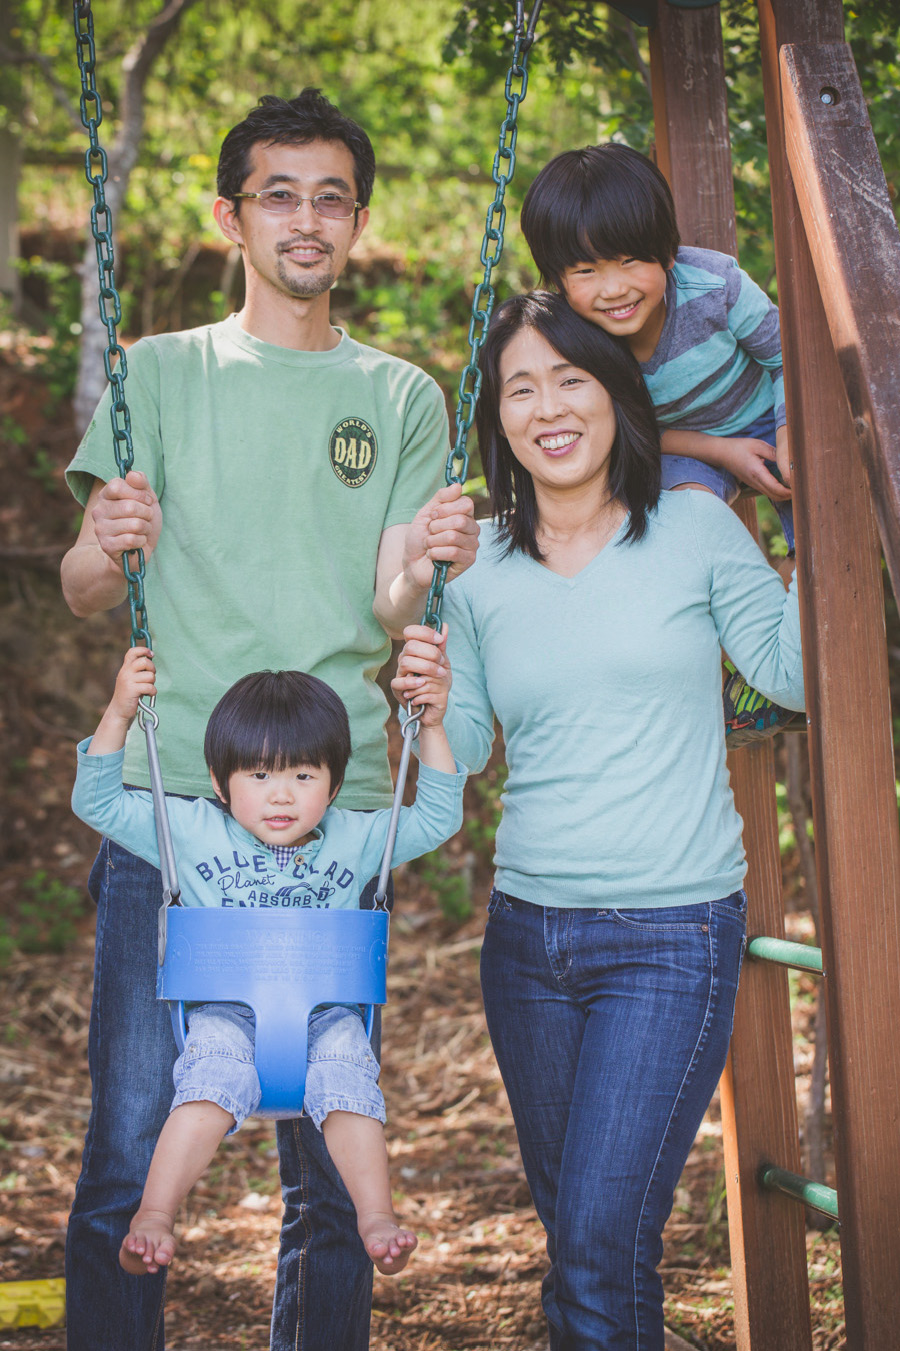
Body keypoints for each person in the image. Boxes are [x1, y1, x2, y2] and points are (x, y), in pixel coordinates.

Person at [61, 89, 478, 1351]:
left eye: (332, 195)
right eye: (280, 193)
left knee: (331, 1143)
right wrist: (105, 535)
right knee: (134, 1135)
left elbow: (391, 587)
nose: (308, 218)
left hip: (338, 814)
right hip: (174, 813)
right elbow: (87, 587)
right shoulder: (155, 373)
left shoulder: (401, 393)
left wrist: (429, 559)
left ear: (358, 220)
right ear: (231, 213)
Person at [394, 291, 804, 1351]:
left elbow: (795, 672)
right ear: (499, 423)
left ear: (619, 398)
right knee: (587, 1238)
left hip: (672, 938)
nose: (548, 407)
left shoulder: (695, 528)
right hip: (528, 940)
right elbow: (473, 745)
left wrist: (832, 530)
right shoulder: (476, 564)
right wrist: (433, 699)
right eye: (520, 389)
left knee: (596, 1247)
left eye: (571, 378)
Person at [72, 639, 462, 1280]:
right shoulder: (189, 830)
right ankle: (156, 1214)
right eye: (259, 776)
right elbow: (98, 803)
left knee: (348, 1081)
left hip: (326, 1016)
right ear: (223, 785)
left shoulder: (358, 837)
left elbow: (440, 816)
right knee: (207, 1079)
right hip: (227, 1012)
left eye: (303, 776)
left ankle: (376, 1219)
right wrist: (118, 713)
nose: (281, 796)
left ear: (334, 782)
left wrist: (433, 730)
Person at [520, 142, 797, 742]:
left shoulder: (714, 286)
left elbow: (788, 360)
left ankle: (803, 656)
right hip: (684, 445)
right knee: (670, 526)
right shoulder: (581, 340)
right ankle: (737, 682)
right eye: (585, 271)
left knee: (809, 502)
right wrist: (719, 453)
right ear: (558, 278)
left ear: (666, 251)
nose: (613, 289)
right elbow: (625, 429)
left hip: (767, 414)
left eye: (628, 261)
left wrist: (784, 431)